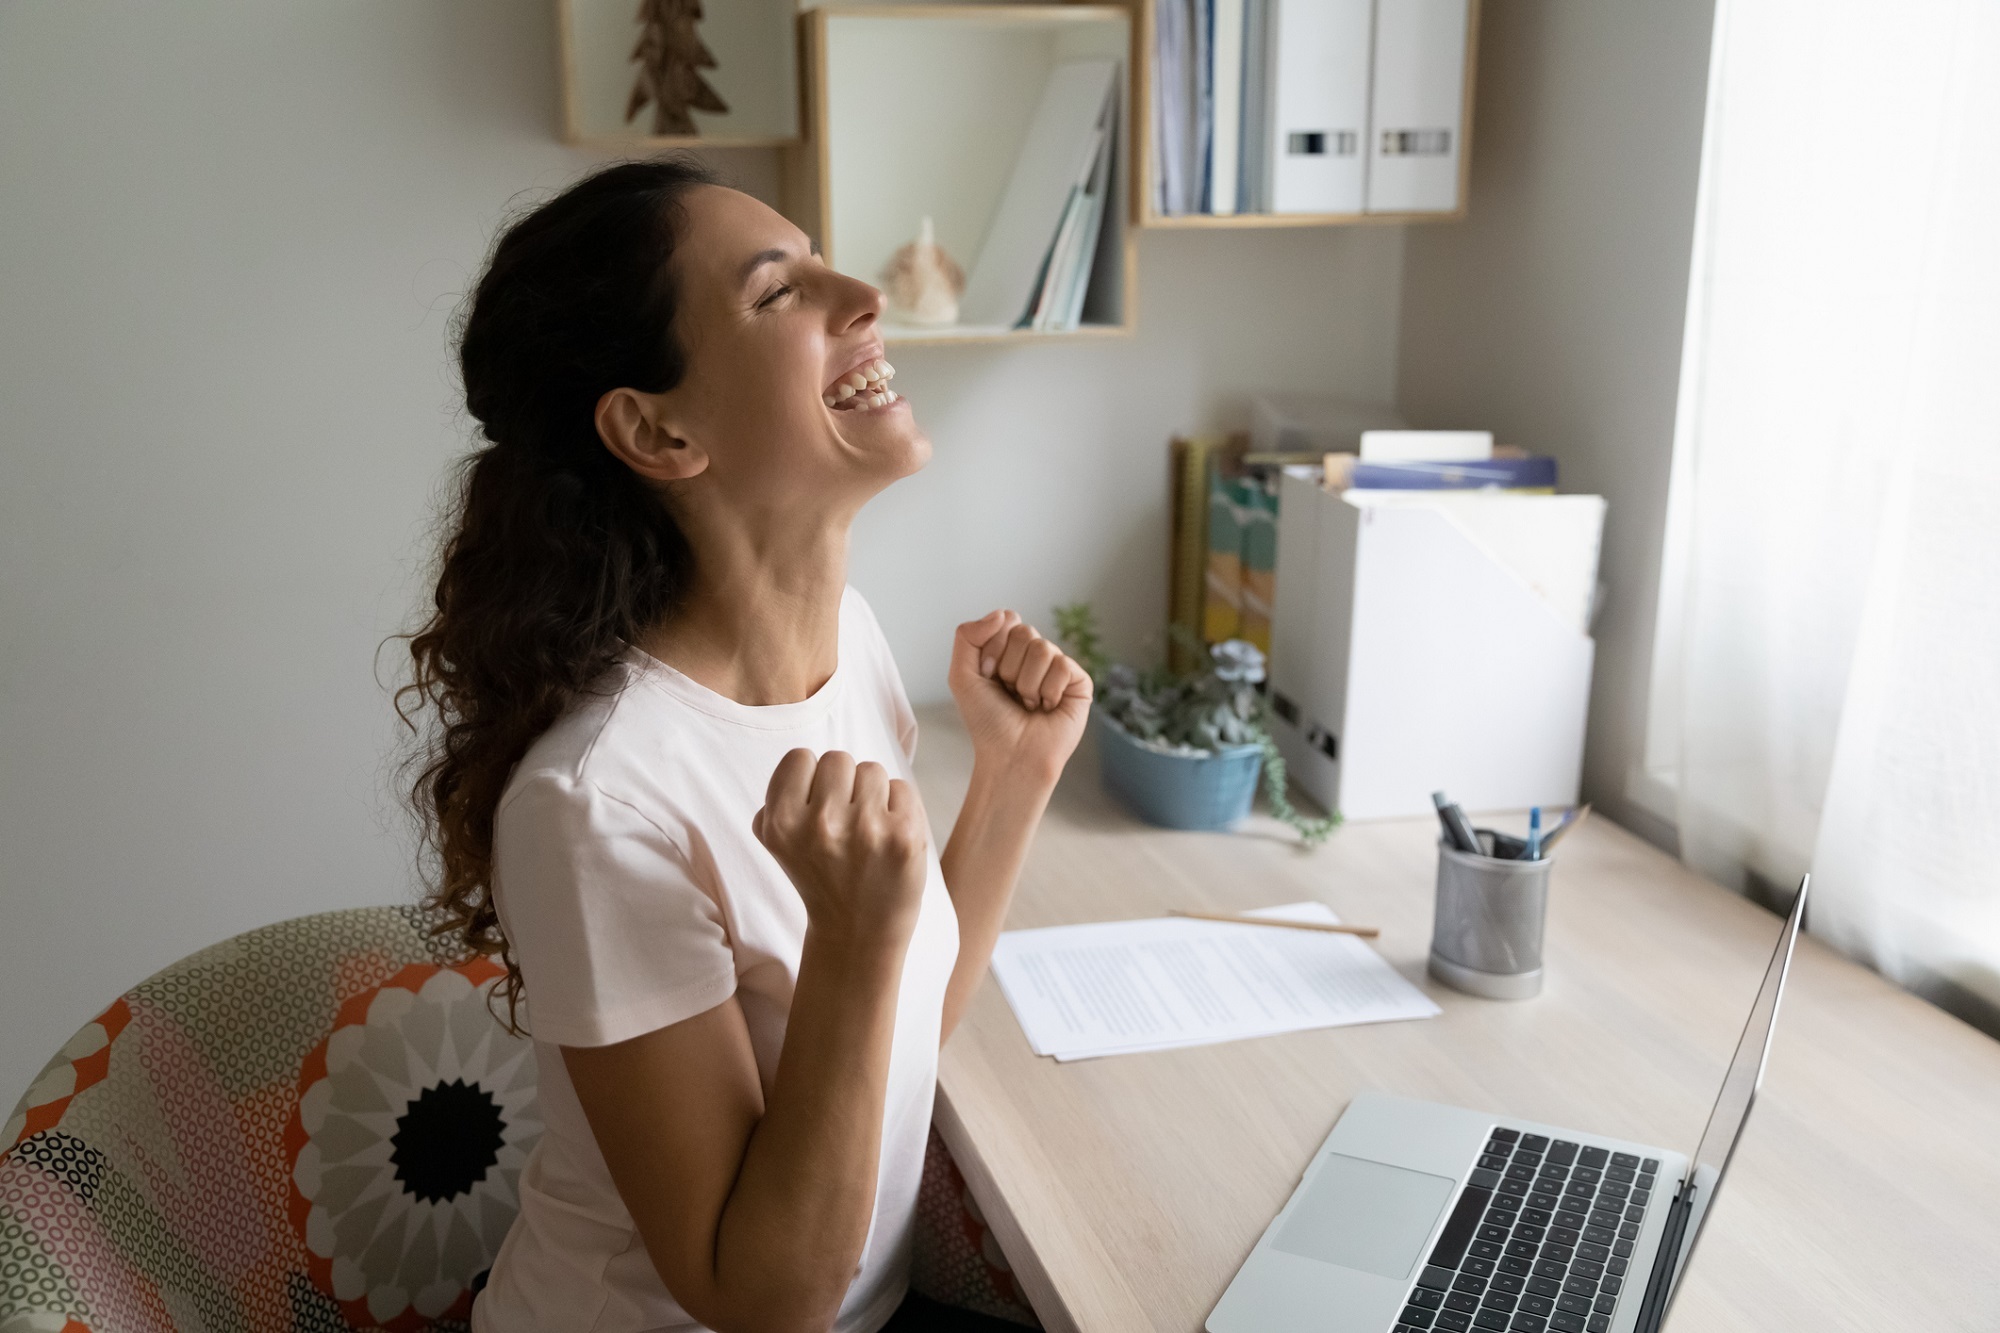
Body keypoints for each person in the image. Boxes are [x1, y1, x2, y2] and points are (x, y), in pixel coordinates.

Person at [400, 155, 1092, 1333]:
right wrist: (853, 937)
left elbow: (898, 1030)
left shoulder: (848, 645)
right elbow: (755, 1294)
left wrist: (1014, 776)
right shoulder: (595, 803)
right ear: (656, 430)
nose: (860, 296)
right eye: (780, 293)